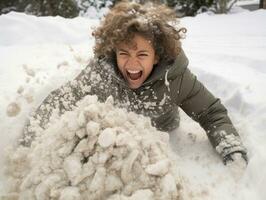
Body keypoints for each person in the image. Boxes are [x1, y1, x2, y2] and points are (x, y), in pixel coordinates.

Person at [21, 0, 248, 167]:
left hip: (161, 136)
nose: (131, 64)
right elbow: (61, 101)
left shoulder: (176, 79)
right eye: (123, 53)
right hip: (115, 138)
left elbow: (211, 112)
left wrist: (230, 145)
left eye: (141, 54)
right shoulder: (101, 74)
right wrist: (27, 142)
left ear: (157, 56)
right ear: (113, 52)